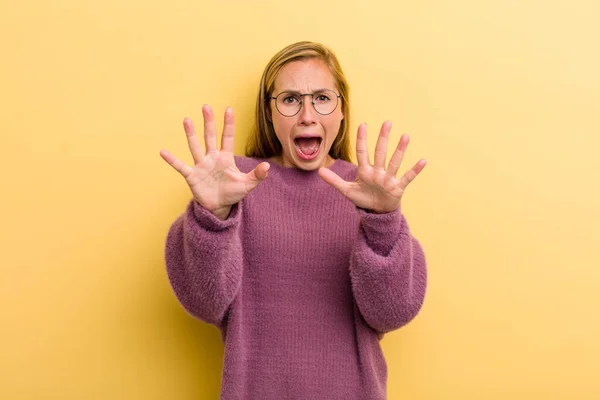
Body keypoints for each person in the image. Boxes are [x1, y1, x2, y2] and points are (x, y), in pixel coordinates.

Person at [159, 41, 428, 400]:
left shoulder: (366, 189)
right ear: (269, 113)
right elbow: (204, 303)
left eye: (321, 98)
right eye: (289, 100)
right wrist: (213, 216)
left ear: (341, 109)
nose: (307, 115)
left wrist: (383, 222)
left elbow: (391, 313)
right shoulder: (237, 184)